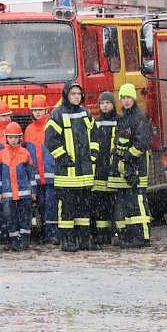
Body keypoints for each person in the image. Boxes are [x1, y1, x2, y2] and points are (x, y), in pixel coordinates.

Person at [45, 81, 98, 252]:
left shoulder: (85, 113)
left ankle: (84, 240)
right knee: (67, 210)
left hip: (85, 174)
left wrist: (93, 156)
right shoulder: (57, 114)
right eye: (73, 94)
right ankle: (67, 240)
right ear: (66, 95)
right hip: (66, 174)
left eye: (78, 94)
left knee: (84, 210)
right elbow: (50, 140)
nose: (76, 97)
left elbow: (95, 135)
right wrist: (63, 158)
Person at [109, 84, 153, 248]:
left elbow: (143, 143)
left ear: (133, 98)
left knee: (138, 202)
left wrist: (128, 156)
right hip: (128, 167)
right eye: (123, 98)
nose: (126, 101)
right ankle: (132, 236)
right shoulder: (125, 117)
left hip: (137, 167)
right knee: (130, 204)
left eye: (128, 97)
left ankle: (142, 237)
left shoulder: (138, 116)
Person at [0, 122, 37, 251]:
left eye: (15, 137)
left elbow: (31, 174)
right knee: (11, 218)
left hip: (24, 194)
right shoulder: (1, 154)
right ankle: (14, 240)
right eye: (10, 137)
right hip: (8, 194)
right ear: (6, 138)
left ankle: (24, 240)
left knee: (25, 217)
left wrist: (33, 191)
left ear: (20, 137)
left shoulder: (25, 153)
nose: (13, 140)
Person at [23, 96, 58, 245]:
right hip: (37, 177)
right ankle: (45, 233)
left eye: (40, 110)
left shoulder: (51, 125)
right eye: (35, 110)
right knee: (42, 205)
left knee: (52, 205)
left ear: (46, 110)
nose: (37, 113)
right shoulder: (29, 129)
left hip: (51, 175)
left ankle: (53, 234)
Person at [92, 92, 118, 247]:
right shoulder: (96, 123)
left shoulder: (119, 121)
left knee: (116, 203)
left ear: (113, 104)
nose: (105, 105)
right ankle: (102, 234)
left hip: (115, 167)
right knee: (100, 203)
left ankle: (116, 232)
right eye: (102, 103)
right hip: (100, 168)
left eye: (108, 102)